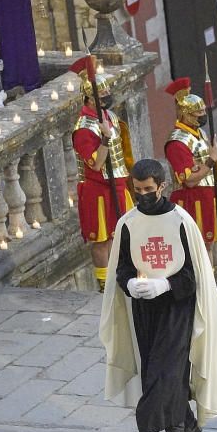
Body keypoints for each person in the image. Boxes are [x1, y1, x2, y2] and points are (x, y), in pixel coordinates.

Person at [101, 158, 217, 432]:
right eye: (137, 189)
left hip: (178, 305)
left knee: (168, 367)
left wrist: (164, 284)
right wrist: (130, 284)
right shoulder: (128, 223)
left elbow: (193, 275)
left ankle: (172, 425)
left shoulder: (181, 222)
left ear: (162, 186)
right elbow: (123, 267)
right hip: (144, 308)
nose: (142, 195)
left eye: (148, 189)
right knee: (153, 366)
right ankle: (184, 425)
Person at [70, 60, 134, 292]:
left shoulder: (109, 116)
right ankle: (105, 284)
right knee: (101, 239)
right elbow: (96, 164)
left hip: (117, 182)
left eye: (107, 90)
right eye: (102, 91)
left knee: (121, 234)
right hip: (97, 188)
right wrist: (105, 139)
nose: (107, 93)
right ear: (89, 98)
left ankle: (123, 275)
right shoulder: (84, 129)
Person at [164, 77, 217, 247]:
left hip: (208, 195)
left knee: (208, 247)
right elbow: (190, 180)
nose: (203, 115)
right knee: (198, 250)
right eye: (198, 113)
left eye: (203, 111)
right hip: (193, 199)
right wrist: (211, 160)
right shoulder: (177, 143)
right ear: (185, 114)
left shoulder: (198, 133)